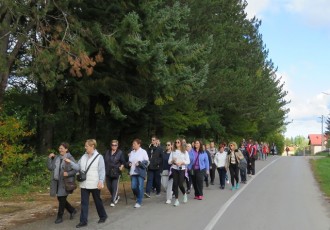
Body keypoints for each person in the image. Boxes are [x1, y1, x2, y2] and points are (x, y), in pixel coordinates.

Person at [65, 139, 108, 228]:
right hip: (84, 184)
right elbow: (78, 167)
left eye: (86, 146)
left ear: (92, 146)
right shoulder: (83, 157)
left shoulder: (99, 157)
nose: (85, 147)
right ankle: (83, 221)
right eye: (85, 146)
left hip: (95, 184)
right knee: (84, 203)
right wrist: (71, 163)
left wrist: (101, 181)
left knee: (97, 201)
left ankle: (103, 216)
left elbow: (102, 171)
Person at [47, 142, 77, 224]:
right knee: (60, 198)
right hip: (56, 182)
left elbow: (76, 169)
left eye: (62, 148)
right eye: (59, 148)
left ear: (66, 149)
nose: (60, 150)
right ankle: (72, 210)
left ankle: (59, 217)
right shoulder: (56, 157)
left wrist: (68, 173)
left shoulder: (70, 158)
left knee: (62, 198)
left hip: (65, 182)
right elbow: (50, 168)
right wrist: (49, 158)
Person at [128, 139, 149, 208]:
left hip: (140, 171)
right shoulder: (132, 152)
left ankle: (139, 201)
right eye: (133, 144)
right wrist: (129, 163)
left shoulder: (143, 152)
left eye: (134, 144)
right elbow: (129, 161)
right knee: (133, 187)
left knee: (140, 186)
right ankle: (139, 196)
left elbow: (147, 161)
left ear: (139, 144)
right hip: (133, 171)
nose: (133, 145)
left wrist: (140, 163)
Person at [168, 138, 190, 206]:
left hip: (182, 169)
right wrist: (172, 161)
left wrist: (182, 162)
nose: (177, 143)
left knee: (180, 184)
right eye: (176, 142)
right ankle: (176, 200)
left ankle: (184, 194)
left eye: (178, 142)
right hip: (174, 168)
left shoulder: (185, 152)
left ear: (181, 143)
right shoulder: (173, 151)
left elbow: (188, 161)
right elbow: (169, 161)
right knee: (175, 184)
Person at [104, 140, 126, 207]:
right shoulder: (107, 152)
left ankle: (113, 200)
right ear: (111, 146)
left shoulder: (120, 153)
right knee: (109, 187)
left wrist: (121, 166)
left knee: (114, 187)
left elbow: (123, 162)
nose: (114, 146)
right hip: (108, 172)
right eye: (113, 145)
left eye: (115, 145)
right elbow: (103, 160)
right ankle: (116, 196)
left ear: (117, 145)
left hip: (116, 172)